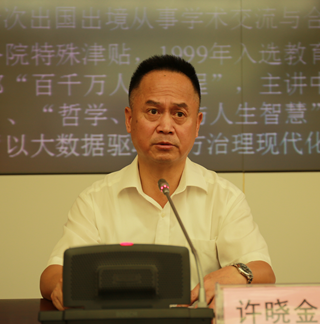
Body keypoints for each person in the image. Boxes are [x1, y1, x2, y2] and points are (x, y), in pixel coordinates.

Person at [40, 55, 275, 310]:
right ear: (129, 119)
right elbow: (52, 274)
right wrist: (61, 286)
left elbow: (263, 271)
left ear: (197, 124)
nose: (165, 126)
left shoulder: (225, 198)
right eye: (153, 111)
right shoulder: (96, 200)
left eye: (179, 114)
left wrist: (238, 273)